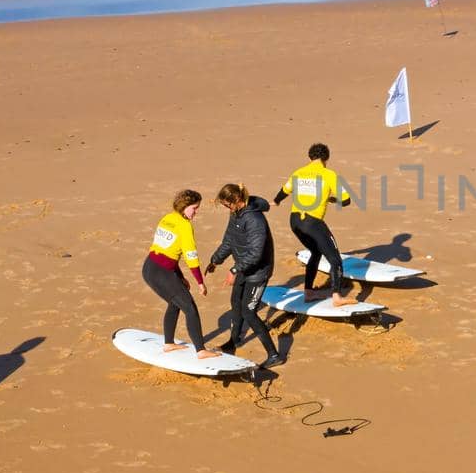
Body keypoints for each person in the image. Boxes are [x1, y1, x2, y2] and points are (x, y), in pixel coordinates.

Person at [206, 183, 282, 365]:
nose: (226, 208)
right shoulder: (235, 214)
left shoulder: (255, 219)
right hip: (243, 267)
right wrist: (215, 260)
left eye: (227, 205)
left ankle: (274, 355)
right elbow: (229, 240)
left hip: (258, 272)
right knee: (236, 303)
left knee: (249, 311)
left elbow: (256, 253)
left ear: (237, 200)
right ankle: (234, 342)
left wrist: (234, 270)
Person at [273, 143, 355, 306]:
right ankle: (337, 297)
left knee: (316, 252)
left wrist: (275, 201)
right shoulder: (329, 174)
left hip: (295, 221)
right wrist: (332, 199)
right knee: (335, 259)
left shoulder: (298, 172)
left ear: (309, 157)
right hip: (312, 222)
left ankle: (309, 292)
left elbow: (283, 192)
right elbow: (346, 201)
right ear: (326, 158)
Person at [142, 190, 218, 360]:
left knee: (175, 302)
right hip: (162, 273)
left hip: (149, 268)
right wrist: (200, 282)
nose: (196, 212)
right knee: (190, 308)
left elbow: (168, 252)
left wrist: (180, 277)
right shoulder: (185, 226)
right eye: (194, 208)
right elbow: (191, 257)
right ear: (185, 206)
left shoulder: (167, 218)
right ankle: (201, 351)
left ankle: (169, 343)